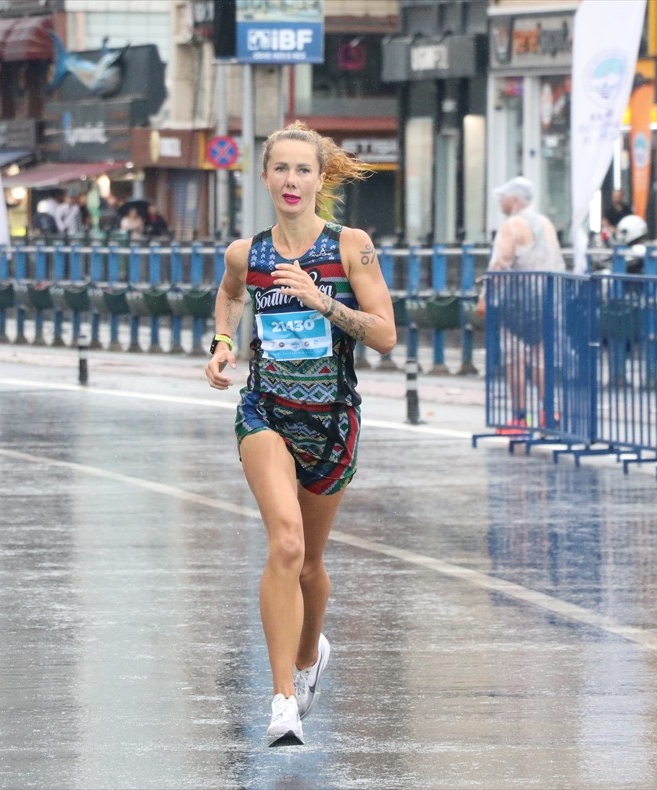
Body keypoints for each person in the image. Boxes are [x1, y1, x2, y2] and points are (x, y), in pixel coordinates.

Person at [204, 121, 396, 747]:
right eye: (280, 169)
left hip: (333, 420)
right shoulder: (248, 253)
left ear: (319, 180)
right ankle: (283, 698)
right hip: (265, 410)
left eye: (302, 170)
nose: (291, 181)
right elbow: (229, 295)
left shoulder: (352, 247)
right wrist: (224, 343)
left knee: (311, 564)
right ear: (265, 177)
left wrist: (322, 302)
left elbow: (386, 334)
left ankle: (311, 657)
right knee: (284, 544)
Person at [485, 176, 565, 434]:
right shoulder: (546, 223)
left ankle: (519, 418)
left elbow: (499, 264)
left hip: (517, 303)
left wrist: (485, 298)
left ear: (515, 199)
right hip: (548, 300)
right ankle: (548, 413)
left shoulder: (512, 225)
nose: (501, 202)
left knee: (515, 359)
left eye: (504, 197)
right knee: (542, 359)